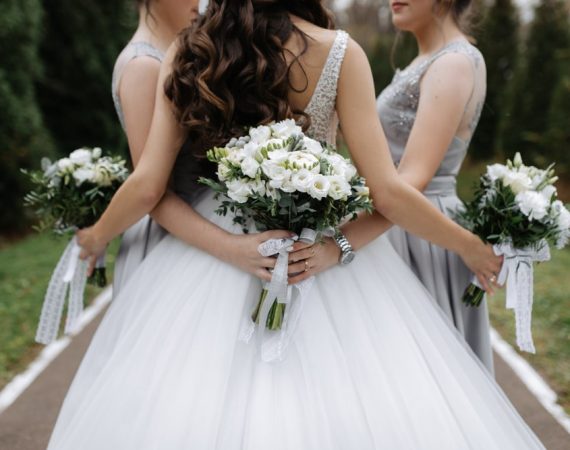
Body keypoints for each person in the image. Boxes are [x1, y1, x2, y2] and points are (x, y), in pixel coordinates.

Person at [47, 1, 543, 448]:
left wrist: (227, 248)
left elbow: (151, 190)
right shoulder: (340, 53)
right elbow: (389, 194)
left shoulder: (189, 49)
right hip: (317, 258)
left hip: (202, 261)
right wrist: (346, 249)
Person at [376, 0, 494, 371]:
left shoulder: (454, 62)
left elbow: (413, 177)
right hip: (400, 216)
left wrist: (342, 221)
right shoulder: (427, 59)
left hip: (419, 228)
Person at [111, 0, 201, 293]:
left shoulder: (179, 52)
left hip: (200, 228)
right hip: (174, 243)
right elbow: (152, 188)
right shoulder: (143, 67)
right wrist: (95, 237)